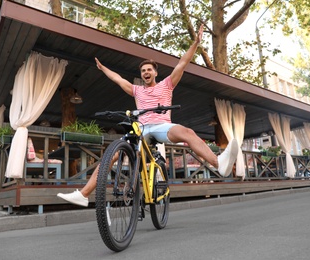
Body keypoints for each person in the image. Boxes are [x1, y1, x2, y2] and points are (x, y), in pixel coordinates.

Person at [57, 25, 238, 207]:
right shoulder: (136, 90)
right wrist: (103, 68)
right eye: (143, 71)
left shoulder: (166, 84)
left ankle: (218, 163)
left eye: (149, 70)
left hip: (162, 126)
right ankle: (83, 194)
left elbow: (182, 63)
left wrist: (196, 43)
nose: (146, 73)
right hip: (141, 129)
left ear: (155, 73)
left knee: (187, 132)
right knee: (111, 154)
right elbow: (118, 79)